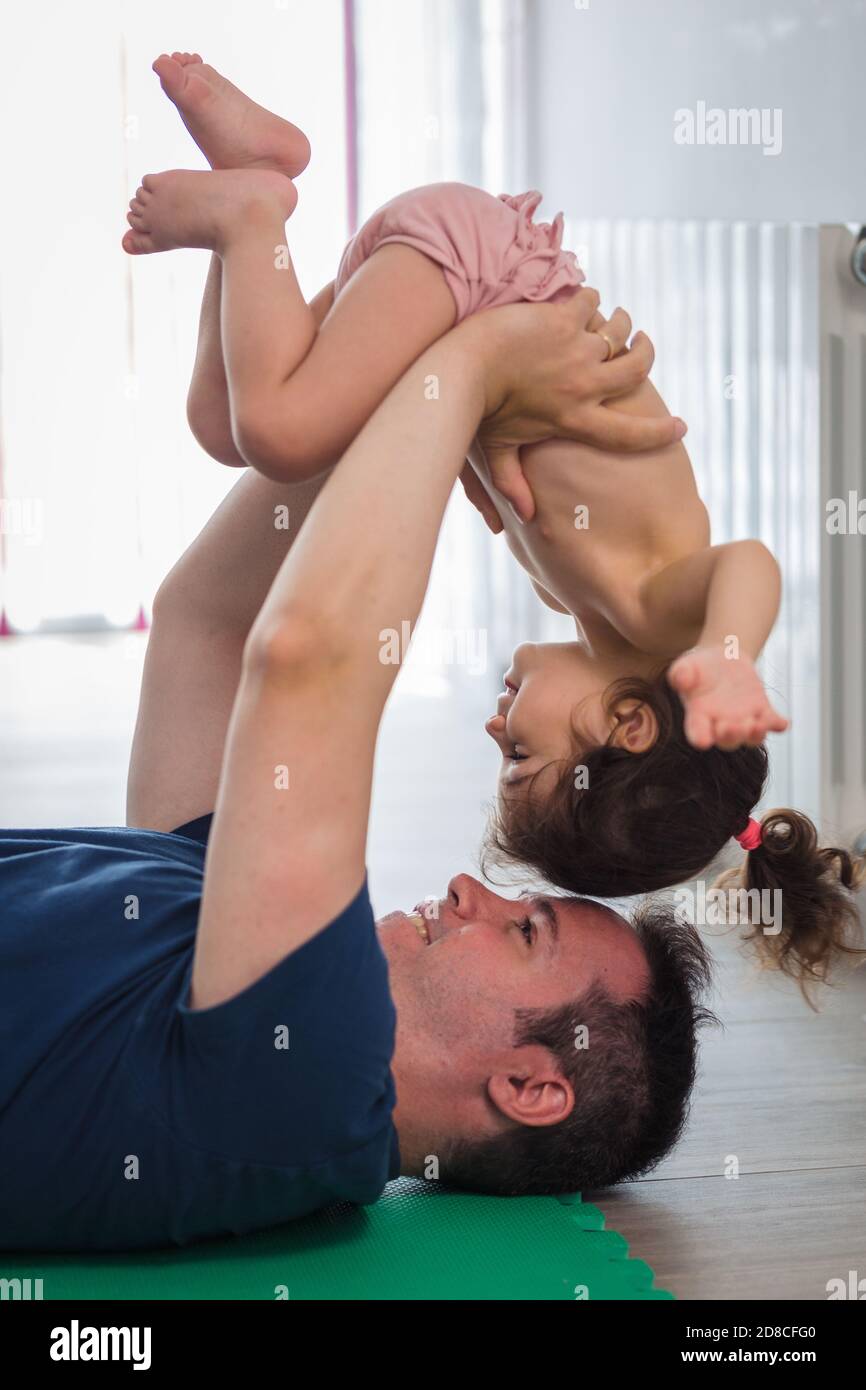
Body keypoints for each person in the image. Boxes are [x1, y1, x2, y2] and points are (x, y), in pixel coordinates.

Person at [0, 250, 713, 1252]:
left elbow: (304, 656)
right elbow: (208, 621)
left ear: (525, 1085)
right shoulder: (235, 943)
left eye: (522, 934)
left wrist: (477, 361)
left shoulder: (319, 1085)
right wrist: (394, 346)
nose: (472, 888)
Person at [125, 56, 864, 995]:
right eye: (521, 751)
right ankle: (253, 215)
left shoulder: (572, 592)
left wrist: (469, 449)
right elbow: (751, 562)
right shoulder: (654, 615)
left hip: (452, 297)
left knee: (227, 424)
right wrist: (727, 654)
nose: (494, 721)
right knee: (276, 429)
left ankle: (254, 184)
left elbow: (488, 441)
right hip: (483, 277)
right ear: (631, 724)